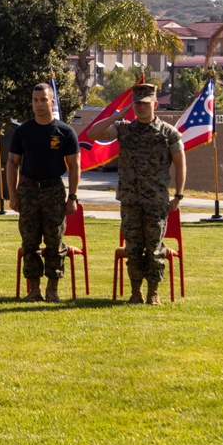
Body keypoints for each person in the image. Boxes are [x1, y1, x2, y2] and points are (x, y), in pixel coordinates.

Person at [88, 83, 185, 305]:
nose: (141, 108)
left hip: (156, 200)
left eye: (145, 104)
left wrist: (178, 195)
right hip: (130, 200)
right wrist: (119, 114)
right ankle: (136, 292)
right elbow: (93, 134)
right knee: (133, 248)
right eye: (137, 104)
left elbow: (180, 165)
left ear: (155, 104)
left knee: (154, 248)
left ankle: (153, 292)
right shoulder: (123, 128)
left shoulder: (168, 133)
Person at [6, 83, 80, 302]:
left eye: (43, 100)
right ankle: (34, 289)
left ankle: (52, 289)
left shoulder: (64, 132)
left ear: (52, 102)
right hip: (28, 192)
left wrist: (73, 197)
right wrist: (12, 194)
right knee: (29, 243)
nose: (38, 104)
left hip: (54, 192)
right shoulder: (23, 131)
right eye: (35, 100)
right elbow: (12, 163)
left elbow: (75, 166)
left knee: (54, 243)